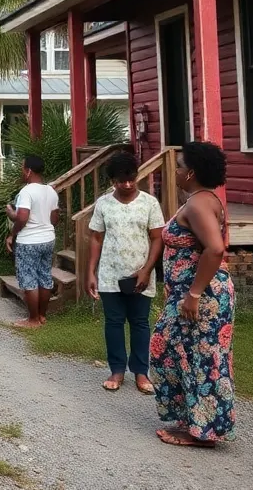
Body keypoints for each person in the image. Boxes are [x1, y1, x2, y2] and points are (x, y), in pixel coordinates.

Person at [149, 141, 235, 447]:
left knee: (199, 358)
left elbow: (215, 249)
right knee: (176, 352)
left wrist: (194, 294)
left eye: (180, 165)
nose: (176, 169)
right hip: (189, 293)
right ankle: (193, 420)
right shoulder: (202, 199)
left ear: (192, 173)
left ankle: (203, 432)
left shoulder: (199, 204)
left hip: (203, 295)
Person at [85, 150, 165, 393]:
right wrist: (91, 271)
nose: (128, 184)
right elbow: (96, 238)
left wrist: (147, 270)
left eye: (131, 179)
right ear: (113, 181)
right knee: (114, 322)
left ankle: (141, 372)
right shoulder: (103, 204)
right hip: (110, 274)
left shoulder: (149, 203)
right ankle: (117, 370)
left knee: (140, 323)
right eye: (122, 180)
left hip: (140, 274)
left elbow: (157, 238)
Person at [5, 154, 60, 328]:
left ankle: (33, 320)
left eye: (22, 168)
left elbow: (22, 218)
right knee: (44, 277)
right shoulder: (50, 191)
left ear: (28, 171)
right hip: (48, 239)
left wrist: (11, 216)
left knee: (28, 279)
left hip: (29, 241)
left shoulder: (26, 192)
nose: (22, 171)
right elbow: (55, 218)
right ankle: (42, 315)